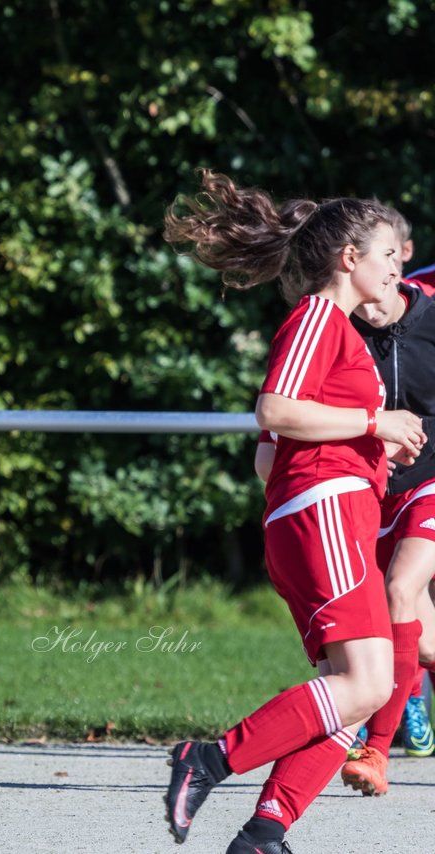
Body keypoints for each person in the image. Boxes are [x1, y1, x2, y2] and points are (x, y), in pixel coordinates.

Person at [161, 169, 425, 853]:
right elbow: (273, 412)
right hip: (326, 513)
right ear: (348, 260)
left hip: (332, 511)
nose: (399, 265)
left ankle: (264, 832)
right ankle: (211, 759)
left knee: (356, 688)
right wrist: (372, 426)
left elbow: (270, 456)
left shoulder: (341, 333)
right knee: (366, 682)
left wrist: (368, 447)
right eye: (387, 255)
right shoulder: (317, 316)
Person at [333, 222, 435, 792]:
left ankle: (375, 750)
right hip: (373, 491)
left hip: (433, 481)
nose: (366, 310)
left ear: (394, 268)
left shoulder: (431, 318)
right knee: (412, 633)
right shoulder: (336, 329)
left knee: (401, 590)